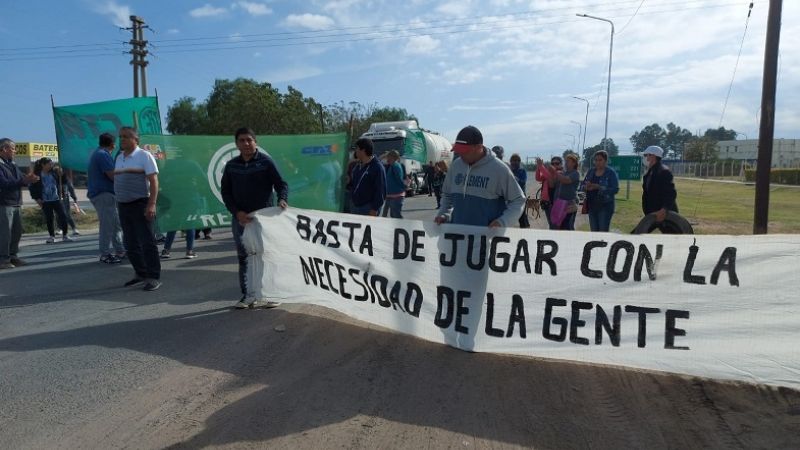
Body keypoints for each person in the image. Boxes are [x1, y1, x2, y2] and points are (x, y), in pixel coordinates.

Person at [221, 127, 288, 309]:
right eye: (242, 140)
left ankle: (271, 294)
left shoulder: (266, 162)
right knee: (245, 257)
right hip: (241, 219)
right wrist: (237, 212)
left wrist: (282, 199)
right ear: (236, 144)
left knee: (266, 255)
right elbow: (226, 192)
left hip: (263, 219)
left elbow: (281, 184)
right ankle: (248, 295)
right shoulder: (231, 166)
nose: (246, 143)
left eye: (249, 140)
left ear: (255, 142)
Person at [435, 126, 525, 228]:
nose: (461, 154)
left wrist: (503, 222)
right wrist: (444, 214)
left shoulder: (499, 169)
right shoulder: (455, 166)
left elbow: (518, 200)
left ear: (479, 147)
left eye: (465, 151)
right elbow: (447, 195)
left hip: (487, 236)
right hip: (457, 234)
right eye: (459, 151)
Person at [115, 127, 162, 292]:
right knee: (130, 243)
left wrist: (152, 204)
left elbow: (154, 181)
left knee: (147, 242)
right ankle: (141, 273)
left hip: (140, 204)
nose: (122, 139)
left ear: (136, 139)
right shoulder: (119, 157)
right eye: (120, 137)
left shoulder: (144, 156)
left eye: (126, 137)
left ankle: (153, 277)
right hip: (123, 205)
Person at [0, 138, 39, 269]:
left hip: (16, 202)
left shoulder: (12, 164)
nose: (15, 151)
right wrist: (23, 181)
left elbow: (21, 178)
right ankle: (3, 259)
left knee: (16, 232)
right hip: (4, 203)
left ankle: (13, 256)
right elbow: (4, 183)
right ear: (4, 149)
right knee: (5, 233)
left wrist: (30, 179)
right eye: (13, 148)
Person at [88, 133, 126, 263]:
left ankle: (120, 250)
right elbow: (112, 175)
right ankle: (104, 254)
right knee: (107, 226)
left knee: (115, 224)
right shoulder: (103, 155)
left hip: (103, 194)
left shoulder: (98, 153)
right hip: (103, 194)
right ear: (113, 145)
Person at [29, 158, 73, 244]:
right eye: (49, 164)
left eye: (51, 164)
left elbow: (64, 182)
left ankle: (65, 235)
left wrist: (62, 175)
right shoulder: (37, 175)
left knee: (63, 216)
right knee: (49, 218)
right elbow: (32, 188)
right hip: (45, 200)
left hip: (57, 198)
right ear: (43, 165)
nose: (51, 165)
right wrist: (37, 198)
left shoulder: (55, 173)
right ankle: (51, 236)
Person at [641, 145, 678, 227]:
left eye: (646, 155)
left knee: (673, 233)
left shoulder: (664, 172)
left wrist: (664, 210)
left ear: (653, 156)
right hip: (652, 214)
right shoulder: (648, 173)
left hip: (666, 216)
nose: (645, 158)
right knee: (639, 231)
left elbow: (671, 194)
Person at [583, 150, 620, 232]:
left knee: (602, 231)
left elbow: (615, 189)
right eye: (596, 160)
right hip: (592, 206)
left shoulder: (610, 173)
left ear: (606, 161)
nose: (597, 162)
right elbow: (582, 185)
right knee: (594, 232)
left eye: (600, 160)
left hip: (605, 206)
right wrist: (586, 186)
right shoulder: (591, 171)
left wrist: (599, 187)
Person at [349, 137, 386, 216]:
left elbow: (381, 191)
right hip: (355, 206)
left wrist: (374, 209)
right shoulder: (357, 166)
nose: (355, 151)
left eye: (357, 148)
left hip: (368, 208)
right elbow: (355, 184)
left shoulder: (377, 167)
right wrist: (349, 182)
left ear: (363, 150)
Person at [548, 153, 580, 231]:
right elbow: (552, 185)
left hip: (570, 203)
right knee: (561, 225)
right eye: (565, 161)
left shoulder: (575, 173)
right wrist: (551, 173)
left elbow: (566, 180)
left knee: (568, 226)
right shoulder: (563, 173)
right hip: (561, 203)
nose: (566, 163)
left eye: (568, 161)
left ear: (574, 163)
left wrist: (555, 171)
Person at [535, 156, 562, 228]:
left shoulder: (560, 173)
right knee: (551, 224)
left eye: (557, 163)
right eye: (553, 163)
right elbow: (538, 178)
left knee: (554, 224)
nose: (554, 165)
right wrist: (538, 167)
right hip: (546, 202)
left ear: (561, 164)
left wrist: (541, 166)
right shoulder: (548, 172)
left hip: (554, 202)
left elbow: (550, 177)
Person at [509, 153, 530, 228]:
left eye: (517, 160)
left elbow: (523, 182)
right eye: (513, 160)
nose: (515, 162)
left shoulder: (522, 171)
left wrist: (514, 177)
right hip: (510, 196)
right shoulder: (508, 170)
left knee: (522, 214)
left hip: (521, 196)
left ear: (519, 161)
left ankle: (525, 228)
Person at [384, 150, 406, 219]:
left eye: (388, 157)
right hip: (391, 195)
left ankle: (404, 225)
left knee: (396, 216)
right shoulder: (392, 166)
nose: (387, 158)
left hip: (396, 195)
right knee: (393, 216)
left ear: (392, 157)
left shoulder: (395, 166)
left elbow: (399, 179)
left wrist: (404, 187)